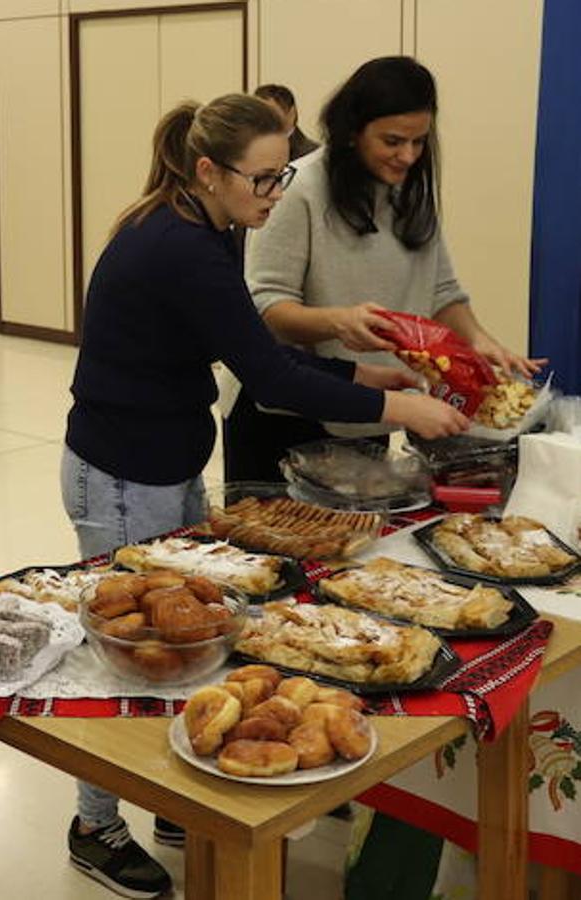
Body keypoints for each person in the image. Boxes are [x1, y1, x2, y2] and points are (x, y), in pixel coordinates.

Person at [60, 93, 469, 899]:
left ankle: (169, 791)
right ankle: (94, 824)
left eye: (284, 173)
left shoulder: (208, 227)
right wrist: (399, 406)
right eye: (263, 178)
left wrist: (361, 374)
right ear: (208, 171)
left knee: (189, 636)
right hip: (118, 471)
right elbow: (269, 374)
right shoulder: (179, 245)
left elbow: (256, 349)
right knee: (126, 653)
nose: (276, 194)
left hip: (164, 457)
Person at [225, 57, 544, 481]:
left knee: (357, 539)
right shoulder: (300, 188)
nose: (408, 155)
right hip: (287, 410)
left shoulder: (412, 192)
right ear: (354, 130)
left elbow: (442, 290)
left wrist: (480, 340)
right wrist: (339, 322)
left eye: (418, 142)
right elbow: (266, 307)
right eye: (392, 141)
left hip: (368, 400)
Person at [254, 83, 321, 161]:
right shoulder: (250, 148)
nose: (261, 119)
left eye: (269, 113)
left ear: (291, 113)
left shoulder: (312, 155)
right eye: (257, 112)